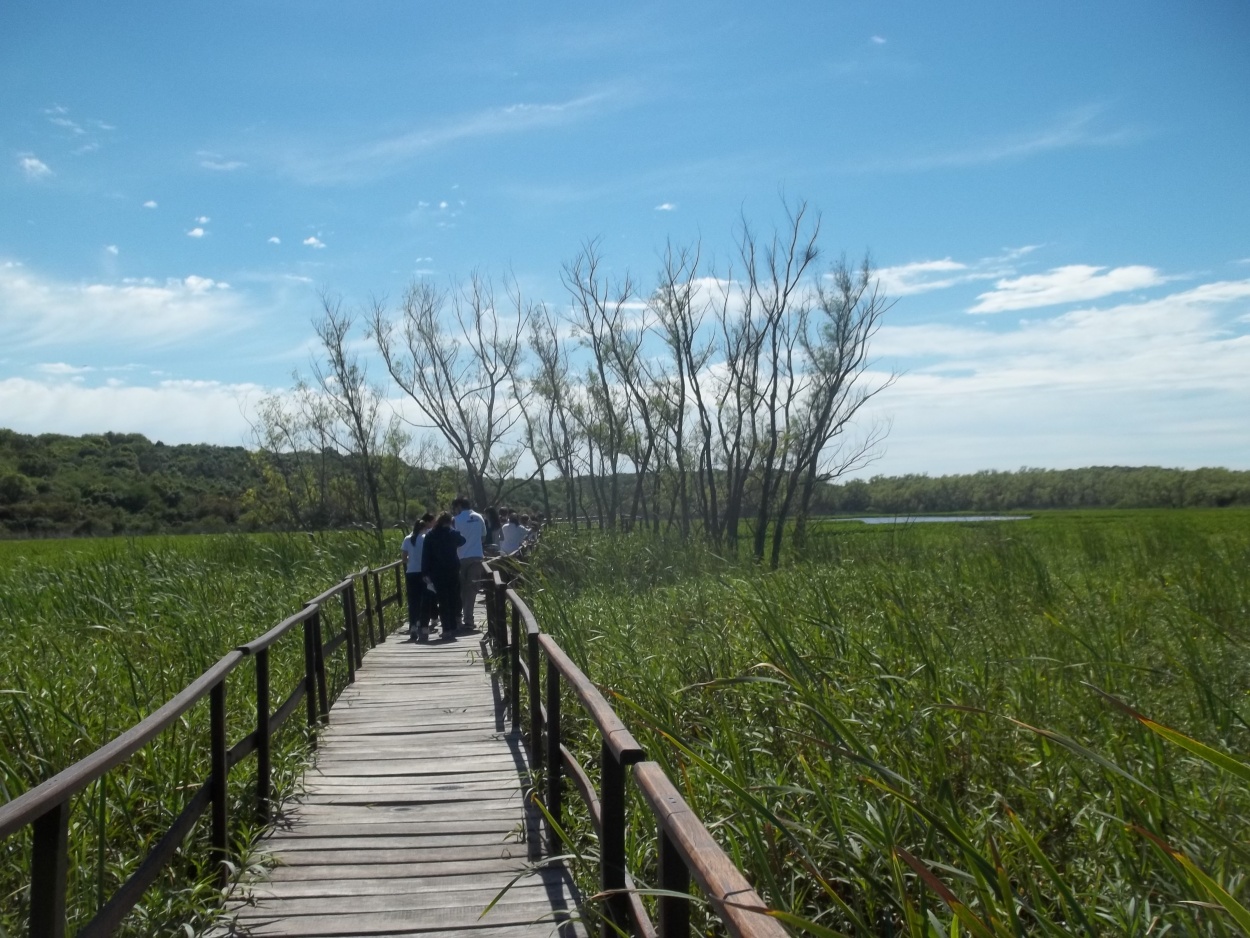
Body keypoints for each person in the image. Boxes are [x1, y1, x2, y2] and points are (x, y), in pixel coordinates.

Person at [421, 512, 464, 640]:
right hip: (452, 570)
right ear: (450, 522)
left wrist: (425, 572)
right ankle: (453, 626)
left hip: (437, 571)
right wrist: (452, 528)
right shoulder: (452, 533)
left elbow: (425, 554)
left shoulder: (430, 535)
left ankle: (446, 629)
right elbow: (463, 540)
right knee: (453, 597)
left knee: (443, 600)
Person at [452, 496, 487, 630]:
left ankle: (457, 618)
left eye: (455, 508)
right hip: (476, 557)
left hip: (460, 558)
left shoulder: (456, 520)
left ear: (459, 506)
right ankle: (469, 620)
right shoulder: (479, 517)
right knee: (472, 590)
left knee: (459, 590)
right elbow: (483, 536)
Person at [400, 514, 434, 640]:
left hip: (411, 573)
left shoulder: (407, 539)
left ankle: (413, 626)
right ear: (424, 528)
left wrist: (411, 560)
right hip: (424, 573)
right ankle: (424, 628)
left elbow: (404, 559)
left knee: (413, 601)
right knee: (425, 600)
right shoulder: (426, 538)